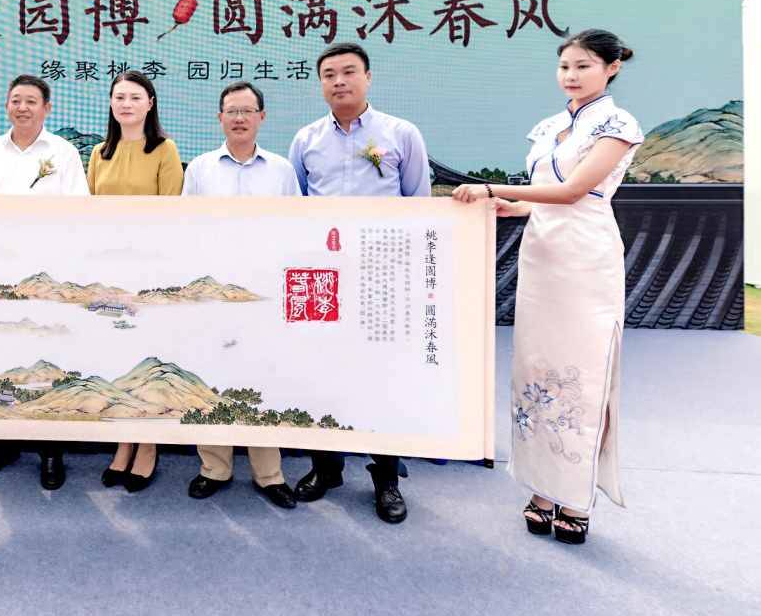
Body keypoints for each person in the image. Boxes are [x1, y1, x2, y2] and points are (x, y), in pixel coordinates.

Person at [451, 29, 641, 545]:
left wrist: (489, 187)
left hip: (585, 257)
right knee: (536, 371)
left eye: (583, 66)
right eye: (565, 67)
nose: (571, 76)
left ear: (612, 68)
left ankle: (575, 498)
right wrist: (509, 206)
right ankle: (541, 489)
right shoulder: (552, 126)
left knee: (583, 373)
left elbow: (576, 191)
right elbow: (542, 197)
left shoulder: (618, 124)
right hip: (542, 253)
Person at [287, 41, 430, 524]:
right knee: (320, 371)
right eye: (329, 74)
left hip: (380, 273)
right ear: (320, 84)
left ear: (368, 77)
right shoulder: (305, 139)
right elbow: (295, 208)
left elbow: (419, 206)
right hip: (321, 276)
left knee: (381, 374)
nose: (339, 81)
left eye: (349, 72)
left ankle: (386, 478)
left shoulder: (401, 134)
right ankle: (325, 468)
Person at [0, 74, 90, 490]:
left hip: (45, 272)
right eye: (16, 100)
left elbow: (78, 210)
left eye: (31, 101)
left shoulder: (63, 152)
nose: (23, 107)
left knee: (46, 358)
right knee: (0, 354)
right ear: (6, 107)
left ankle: (51, 450)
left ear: (46, 108)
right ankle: (2, 444)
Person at [182, 81, 301, 509]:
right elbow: (184, 229)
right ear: (219, 118)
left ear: (261, 117)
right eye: (231, 111)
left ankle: (269, 474)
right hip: (215, 290)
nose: (239, 118)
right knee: (213, 375)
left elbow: (296, 229)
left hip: (263, 292)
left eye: (247, 110)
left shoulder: (282, 170)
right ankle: (214, 467)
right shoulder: (199, 169)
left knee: (262, 377)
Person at [87, 69, 183, 492]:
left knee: (147, 361)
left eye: (135, 97)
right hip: (107, 273)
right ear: (111, 104)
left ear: (150, 103)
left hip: (148, 273)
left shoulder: (164, 149)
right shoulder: (99, 153)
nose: (126, 104)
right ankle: (123, 442)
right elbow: (88, 213)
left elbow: (170, 215)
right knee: (116, 360)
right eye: (119, 97)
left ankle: (148, 444)